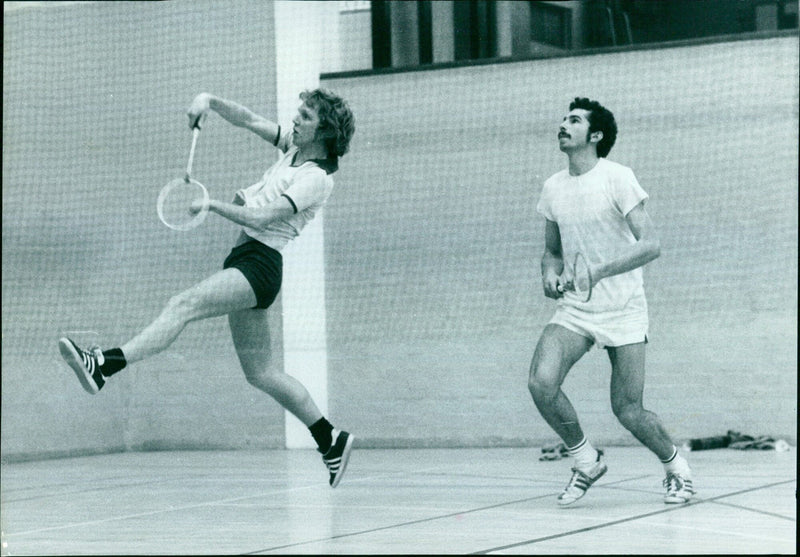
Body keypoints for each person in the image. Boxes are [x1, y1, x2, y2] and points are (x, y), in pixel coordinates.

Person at [59, 89, 356, 488]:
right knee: (262, 373)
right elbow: (249, 118)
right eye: (299, 113)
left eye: (306, 116)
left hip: (260, 265)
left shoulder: (316, 178)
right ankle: (330, 439)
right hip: (246, 260)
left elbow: (264, 215)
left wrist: (211, 204)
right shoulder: (293, 150)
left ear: (325, 130)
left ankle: (104, 364)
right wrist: (210, 101)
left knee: (183, 304)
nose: (297, 119)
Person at [529, 97, 694, 506]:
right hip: (577, 309)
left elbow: (652, 244)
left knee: (628, 410)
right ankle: (586, 459)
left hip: (623, 309)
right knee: (541, 382)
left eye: (574, 120)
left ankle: (677, 469)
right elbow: (552, 250)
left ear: (596, 135)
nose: (563, 125)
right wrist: (549, 273)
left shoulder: (618, 178)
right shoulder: (553, 187)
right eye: (563, 119)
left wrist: (600, 271)